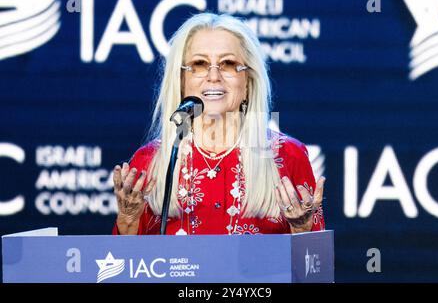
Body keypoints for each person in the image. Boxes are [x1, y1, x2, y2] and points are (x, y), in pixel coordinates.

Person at [112, 13, 326, 236]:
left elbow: (313, 265)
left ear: (248, 82)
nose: (214, 76)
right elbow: (127, 265)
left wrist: (302, 228)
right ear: (181, 81)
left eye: (228, 64)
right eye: (199, 64)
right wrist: (128, 221)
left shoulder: (286, 155)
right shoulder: (150, 161)